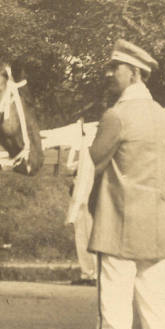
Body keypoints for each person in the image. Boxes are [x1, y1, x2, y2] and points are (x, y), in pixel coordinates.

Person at [88, 40, 165, 329]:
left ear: (135, 74)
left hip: (118, 231)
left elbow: (91, 168)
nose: (110, 73)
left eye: (116, 67)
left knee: (115, 322)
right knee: (161, 320)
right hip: (159, 231)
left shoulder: (116, 116)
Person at [66, 120, 97, 286]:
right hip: (80, 197)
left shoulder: (95, 145)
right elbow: (70, 166)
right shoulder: (83, 146)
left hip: (92, 196)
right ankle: (87, 273)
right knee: (81, 234)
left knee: (92, 233)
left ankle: (96, 273)